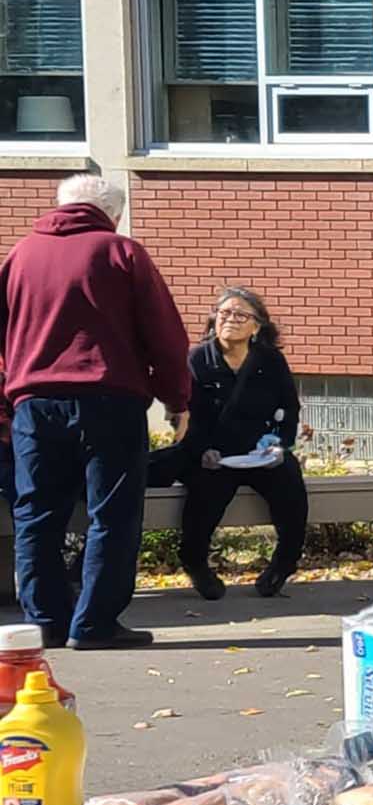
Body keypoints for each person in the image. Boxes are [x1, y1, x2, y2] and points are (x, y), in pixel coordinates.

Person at [0, 173, 191, 650]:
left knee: (37, 514)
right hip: (110, 399)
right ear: (114, 214)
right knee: (113, 513)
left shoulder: (19, 256)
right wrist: (177, 399)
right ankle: (95, 622)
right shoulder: (121, 252)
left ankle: (44, 621)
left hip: (34, 403)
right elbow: (164, 334)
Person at [176, 287, 308, 600]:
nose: (230, 320)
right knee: (202, 498)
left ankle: (283, 564)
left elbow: (289, 408)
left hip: (261, 452)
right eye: (224, 313)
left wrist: (279, 444)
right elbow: (186, 416)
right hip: (215, 452)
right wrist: (202, 450)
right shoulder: (198, 359)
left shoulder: (271, 360)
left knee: (291, 488)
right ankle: (196, 565)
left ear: (256, 326)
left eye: (240, 315)